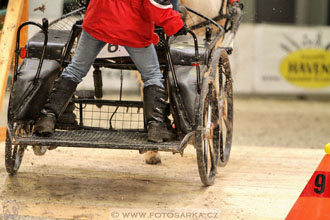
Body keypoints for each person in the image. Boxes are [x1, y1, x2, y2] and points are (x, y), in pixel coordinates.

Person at [33, 0, 187, 143]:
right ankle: (156, 127)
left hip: (98, 20)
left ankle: (48, 118)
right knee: (152, 75)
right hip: (131, 26)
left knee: (75, 70)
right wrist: (176, 25)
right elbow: (156, 3)